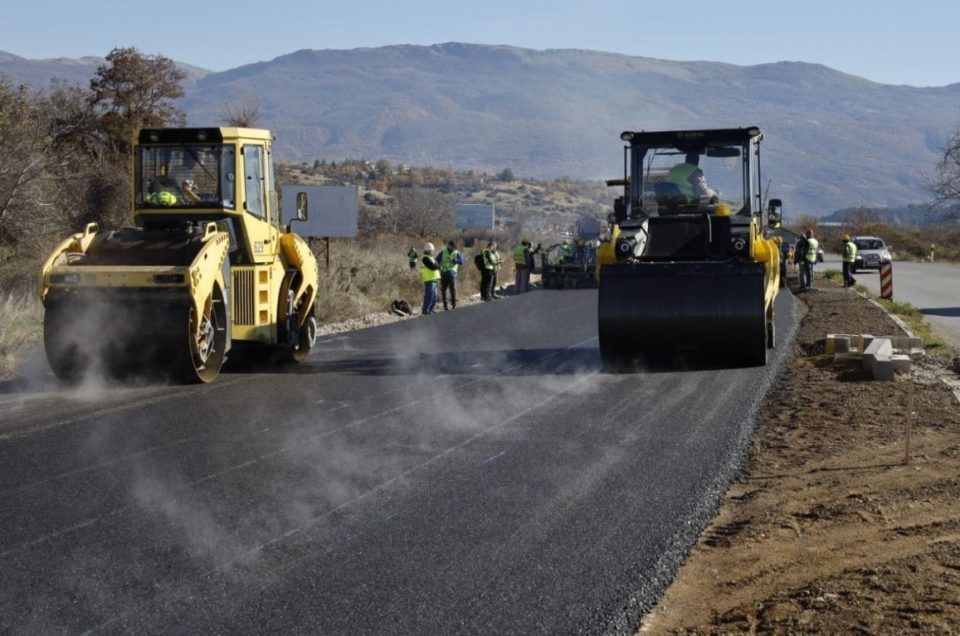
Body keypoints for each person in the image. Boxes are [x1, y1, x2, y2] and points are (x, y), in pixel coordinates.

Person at [438, 240, 464, 310]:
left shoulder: (457, 253)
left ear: (453, 246)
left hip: (452, 274)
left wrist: (454, 259)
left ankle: (453, 304)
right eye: (448, 245)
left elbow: (461, 262)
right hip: (443, 273)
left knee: (452, 290)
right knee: (443, 290)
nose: (448, 246)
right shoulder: (443, 252)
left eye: (450, 245)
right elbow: (437, 260)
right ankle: (445, 305)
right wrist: (438, 265)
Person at [420, 242, 441, 314]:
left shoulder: (431, 258)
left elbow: (436, 265)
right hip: (429, 280)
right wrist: (438, 265)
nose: (433, 252)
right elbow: (433, 267)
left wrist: (437, 265)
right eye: (432, 250)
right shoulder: (425, 258)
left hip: (434, 279)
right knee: (429, 295)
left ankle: (430, 309)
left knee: (434, 297)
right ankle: (425, 310)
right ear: (429, 251)